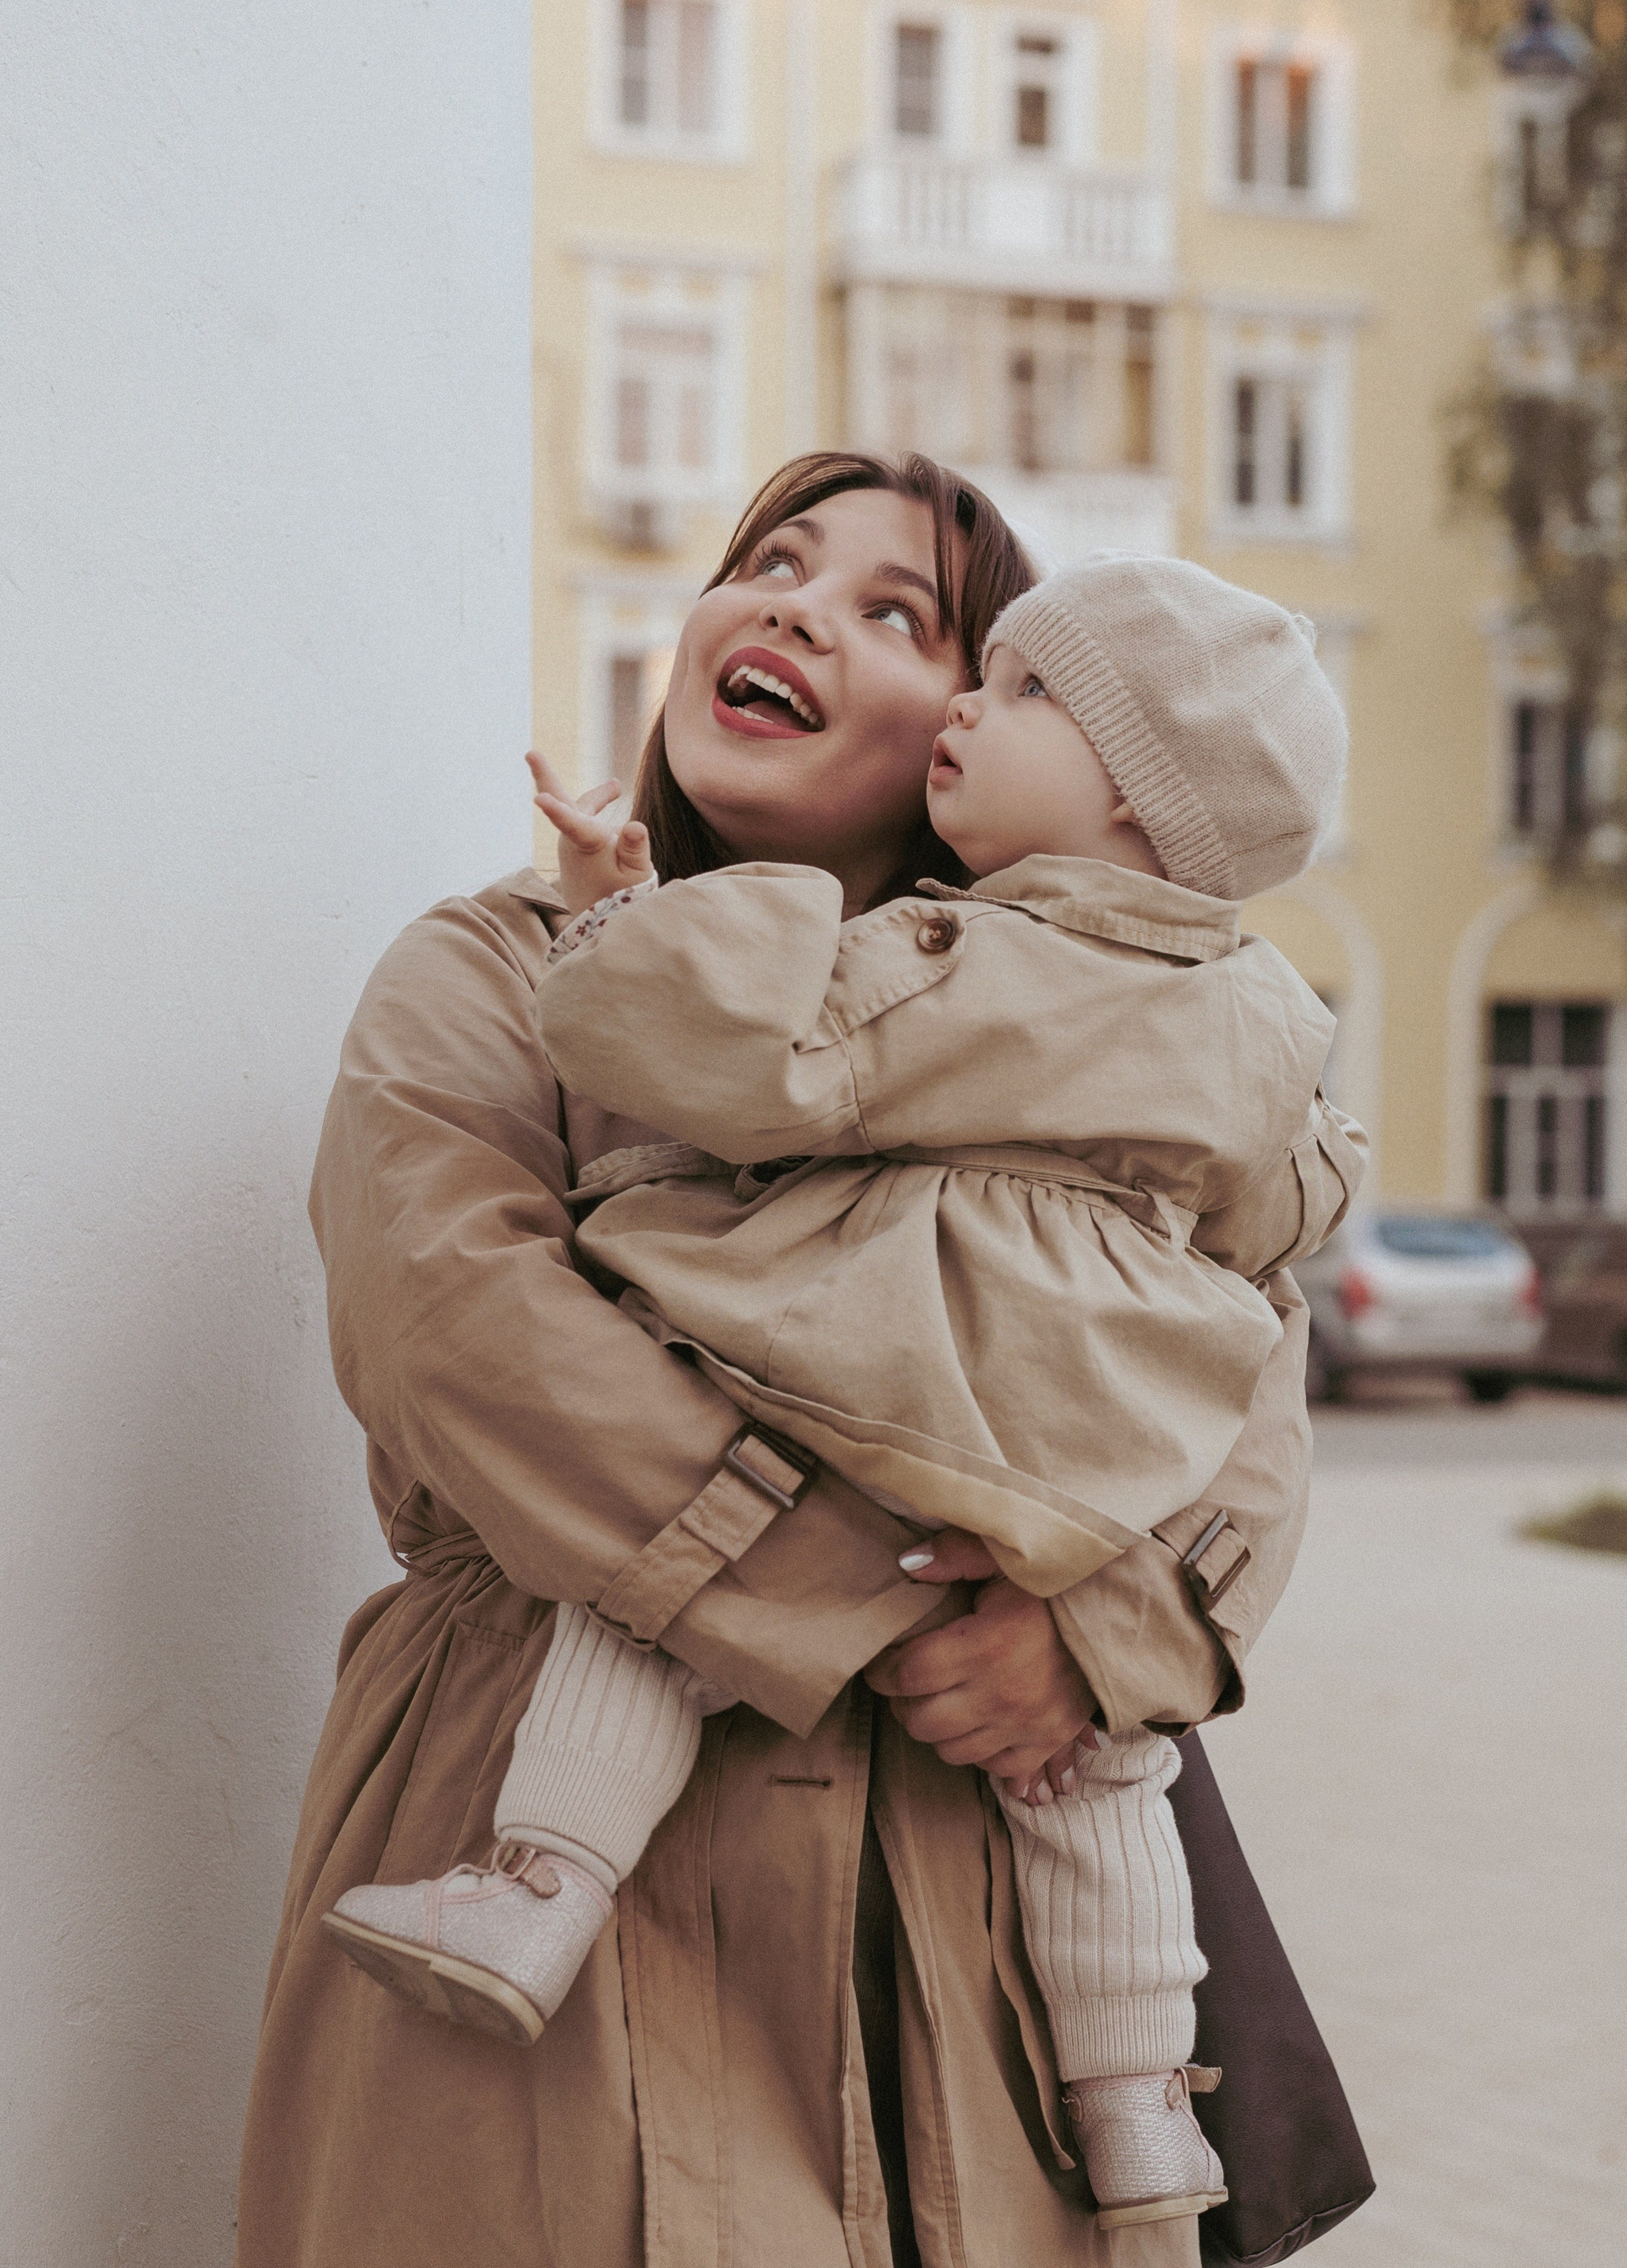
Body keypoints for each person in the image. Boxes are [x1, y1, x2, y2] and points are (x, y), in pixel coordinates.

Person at [236, 452, 1331, 2268]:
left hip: (952, 1874)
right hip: (537, 1795)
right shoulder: (502, 972)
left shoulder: (1097, 1038)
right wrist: (893, 1608)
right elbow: (463, 1333)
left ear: (987, 732)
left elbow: (1244, 1364)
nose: (792, 607)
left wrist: (1096, 1638)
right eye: (767, 565)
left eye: (899, 612)